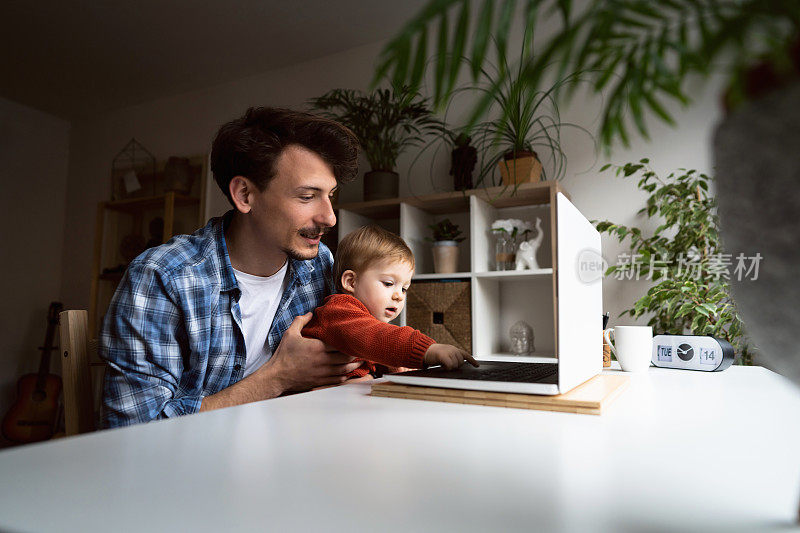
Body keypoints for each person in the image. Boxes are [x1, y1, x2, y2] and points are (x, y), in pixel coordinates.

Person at [101, 107, 363, 427]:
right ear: (244, 194)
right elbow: (133, 431)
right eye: (307, 196)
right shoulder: (163, 276)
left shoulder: (320, 264)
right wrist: (278, 377)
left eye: (330, 196)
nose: (330, 217)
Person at [302, 225, 478, 376]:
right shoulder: (338, 312)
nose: (399, 296)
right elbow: (376, 337)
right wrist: (426, 350)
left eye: (404, 288)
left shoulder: (366, 322)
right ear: (351, 282)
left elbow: (377, 350)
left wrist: (398, 368)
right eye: (388, 283)